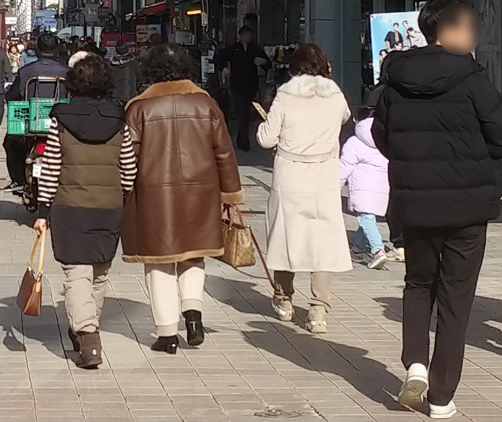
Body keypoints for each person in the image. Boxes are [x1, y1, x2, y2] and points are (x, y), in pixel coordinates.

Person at [372, 0, 502, 419]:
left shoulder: (396, 78)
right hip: (467, 206)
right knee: (456, 297)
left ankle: (415, 362)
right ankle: (441, 397)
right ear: (449, 31)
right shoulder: (472, 78)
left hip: (414, 203)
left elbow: (382, 136)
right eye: (469, 28)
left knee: (418, 283)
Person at [121, 44, 244, 353]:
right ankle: (192, 313)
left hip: (153, 197)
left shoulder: (139, 107)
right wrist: (230, 192)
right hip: (199, 193)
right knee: (193, 254)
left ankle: (166, 335)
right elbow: (224, 152)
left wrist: (122, 191)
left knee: (159, 262)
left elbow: (127, 157)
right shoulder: (205, 103)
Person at [33, 52, 126, 370]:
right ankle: (87, 331)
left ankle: (87, 337)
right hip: (110, 207)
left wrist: (43, 209)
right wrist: (121, 193)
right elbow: (127, 169)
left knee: (77, 274)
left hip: (70, 208)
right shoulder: (119, 118)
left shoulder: (61, 118)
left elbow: (51, 168)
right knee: (99, 274)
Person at [256, 44, 353, 333]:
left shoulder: (285, 94)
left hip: (291, 174)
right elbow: (345, 118)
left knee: (287, 237)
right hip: (323, 174)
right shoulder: (335, 94)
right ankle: (318, 310)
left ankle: (284, 299)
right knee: (322, 242)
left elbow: (265, 138)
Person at [3, 32, 68, 190]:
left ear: (37, 49)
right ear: (58, 49)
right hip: (61, 124)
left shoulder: (26, 71)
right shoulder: (67, 72)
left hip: (31, 124)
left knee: (10, 143)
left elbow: (12, 96)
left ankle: (18, 180)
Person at [339, 88, 391, 269]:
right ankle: (357, 249)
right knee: (368, 217)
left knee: (365, 218)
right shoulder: (384, 139)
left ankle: (378, 250)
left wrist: (336, 184)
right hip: (383, 186)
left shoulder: (355, 142)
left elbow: (345, 165)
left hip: (362, 187)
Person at [216, 20, 269, 150]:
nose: (247, 37)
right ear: (240, 36)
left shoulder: (256, 49)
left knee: (247, 114)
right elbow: (218, 58)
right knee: (242, 112)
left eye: (249, 34)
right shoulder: (234, 49)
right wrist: (224, 68)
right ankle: (244, 141)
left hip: (251, 85)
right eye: (245, 34)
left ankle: (242, 138)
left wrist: (262, 62)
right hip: (237, 85)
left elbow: (268, 63)